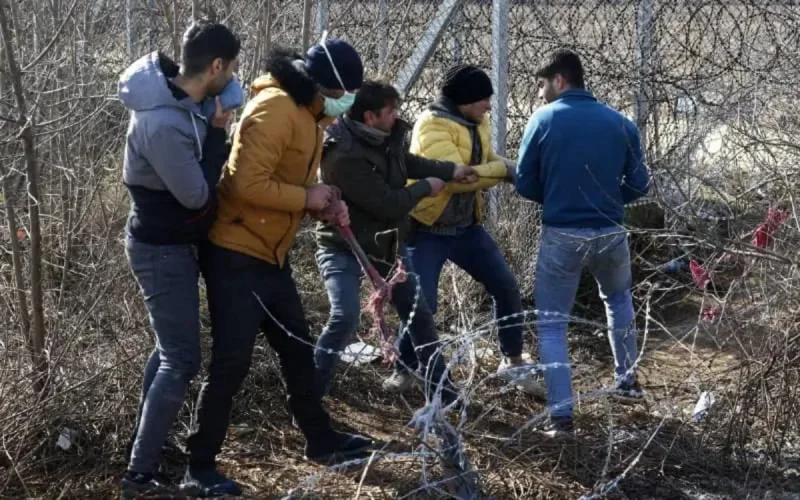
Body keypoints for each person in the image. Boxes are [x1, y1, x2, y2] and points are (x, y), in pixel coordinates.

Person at [183, 40, 375, 496]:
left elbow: (285, 181)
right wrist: (305, 198)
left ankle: (321, 441)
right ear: (324, 85)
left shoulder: (306, 113)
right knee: (231, 363)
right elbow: (245, 183)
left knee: (296, 349)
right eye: (343, 92)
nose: (346, 102)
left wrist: (321, 202)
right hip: (236, 252)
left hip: (270, 253)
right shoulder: (275, 109)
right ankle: (199, 466)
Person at [118, 20, 242, 499]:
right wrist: (216, 137)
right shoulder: (161, 122)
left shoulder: (182, 102)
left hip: (172, 246)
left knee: (169, 349)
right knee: (181, 357)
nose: (233, 77)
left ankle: (143, 452)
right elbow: (194, 196)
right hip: (160, 250)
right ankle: (139, 478)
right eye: (230, 69)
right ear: (215, 67)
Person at [383, 63, 544, 397]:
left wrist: (509, 167)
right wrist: (502, 171)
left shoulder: (476, 121)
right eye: (483, 99)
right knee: (421, 303)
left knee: (506, 287)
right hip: (428, 229)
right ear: (464, 100)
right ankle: (405, 370)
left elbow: (482, 159)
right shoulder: (432, 125)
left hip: (467, 229)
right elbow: (454, 179)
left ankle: (513, 360)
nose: (489, 105)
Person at [313, 80, 477, 400]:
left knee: (418, 315)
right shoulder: (343, 154)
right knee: (344, 317)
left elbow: (407, 163)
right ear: (371, 117)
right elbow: (388, 204)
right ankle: (310, 390)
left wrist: (449, 170)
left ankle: (442, 391)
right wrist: (425, 187)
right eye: (391, 111)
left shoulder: (388, 135)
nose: (397, 115)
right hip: (344, 246)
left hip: (385, 243)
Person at [515, 49, 650, 435]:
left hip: (563, 234)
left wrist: (560, 197)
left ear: (560, 80)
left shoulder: (543, 120)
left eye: (543, 84)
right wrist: (606, 200)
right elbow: (639, 184)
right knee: (619, 300)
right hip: (611, 230)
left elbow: (524, 183)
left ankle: (562, 417)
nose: (541, 94)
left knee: (553, 324)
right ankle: (627, 382)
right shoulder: (620, 124)